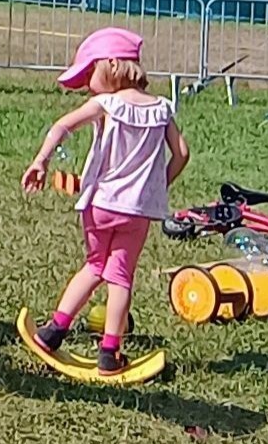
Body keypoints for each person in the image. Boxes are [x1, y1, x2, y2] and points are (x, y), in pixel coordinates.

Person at [21, 26, 189, 374]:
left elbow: (61, 127)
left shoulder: (106, 104)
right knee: (121, 278)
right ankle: (110, 353)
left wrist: (41, 161)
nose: (86, 84)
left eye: (89, 73)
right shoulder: (162, 109)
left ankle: (54, 332)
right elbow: (182, 154)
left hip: (100, 205)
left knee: (95, 266)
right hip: (137, 211)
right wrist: (156, 187)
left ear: (112, 65)